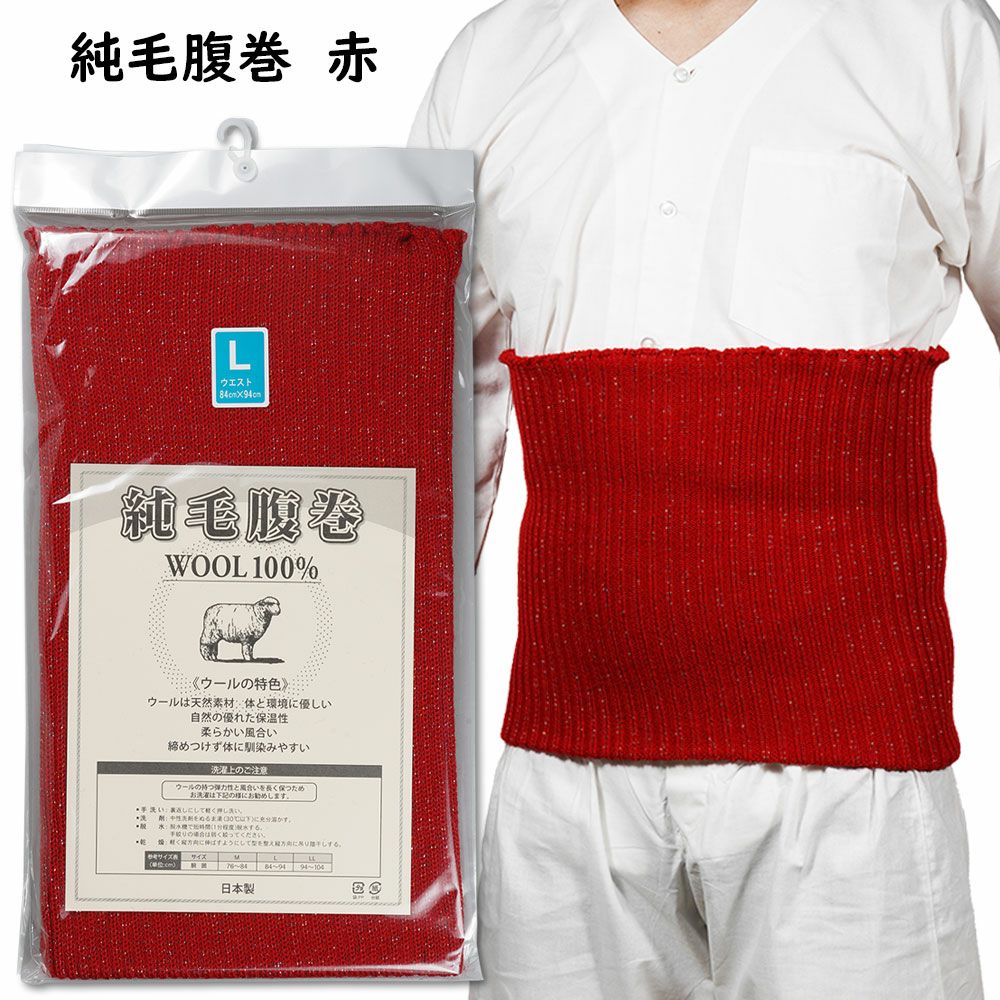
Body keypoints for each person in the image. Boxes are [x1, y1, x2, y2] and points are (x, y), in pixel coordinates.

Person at [409, 0, 997, 996]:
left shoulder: (926, 35)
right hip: (563, 781)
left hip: (853, 782)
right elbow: (424, 427)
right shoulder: (492, 63)